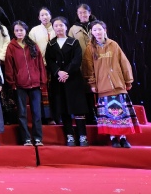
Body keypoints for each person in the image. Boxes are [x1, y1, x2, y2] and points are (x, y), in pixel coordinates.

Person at [82, 20, 141, 148]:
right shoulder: (90, 48)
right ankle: (113, 137)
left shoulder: (113, 45)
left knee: (122, 114)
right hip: (103, 87)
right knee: (108, 114)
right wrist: (92, 84)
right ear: (92, 32)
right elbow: (88, 68)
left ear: (105, 30)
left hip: (118, 85)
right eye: (95, 30)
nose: (98, 32)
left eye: (100, 29)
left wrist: (128, 80)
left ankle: (123, 138)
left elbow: (124, 63)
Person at [44, 16, 89, 147]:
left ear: (66, 27)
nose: (59, 28)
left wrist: (66, 72)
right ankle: (69, 135)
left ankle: (82, 136)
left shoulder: (73, 42)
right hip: (58, 81)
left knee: (78, 107)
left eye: (61, 25)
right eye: (56, 26)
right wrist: (58, 72)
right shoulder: (51, 44)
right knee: (63, 107)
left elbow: (77, 59)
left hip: (73, 79)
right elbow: (49, 60)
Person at [4, 21, 47, 146]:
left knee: (37, 113)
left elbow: (40, 64)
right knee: (22, 113)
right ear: (13, 32)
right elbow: (9, 66)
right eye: (17, 30)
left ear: (26, 31)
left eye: (21, 30)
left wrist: (42, 81)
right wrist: (12, 83)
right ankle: (26, 138)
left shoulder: (33, 45)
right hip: (20, 85)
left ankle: (38, 138)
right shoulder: (11, 46)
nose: (19, 32)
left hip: (35, 84)